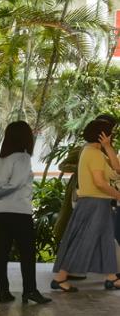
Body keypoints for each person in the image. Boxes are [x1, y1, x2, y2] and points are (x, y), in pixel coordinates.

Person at [51, 114, 120, 292]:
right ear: (102, 135)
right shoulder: (93, 154)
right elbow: (100, 183)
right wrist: (118, 195)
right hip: (93, 203)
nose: (112, 136)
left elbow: (117, 169)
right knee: (82, 240)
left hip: (100, 204)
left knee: (105, 241)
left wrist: (108, 147)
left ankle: (111, 278)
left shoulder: (97, 153)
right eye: (110, 133)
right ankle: (60, 278)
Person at [0, 120, 51, 304]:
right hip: (20, 213)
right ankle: (30, 290)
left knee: (1, 253)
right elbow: (15, 184)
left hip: (0, 214)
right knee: (27, 253)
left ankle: (3, 292)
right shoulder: (23, 158)